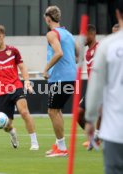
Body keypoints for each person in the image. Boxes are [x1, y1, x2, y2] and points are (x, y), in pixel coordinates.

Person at [0, 24, 39, 151]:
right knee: (6, 125)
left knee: (24, 112)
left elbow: (22, 67)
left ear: (3, 36)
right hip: (1, 91)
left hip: (15, 86)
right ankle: (13, 133)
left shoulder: (13, 51)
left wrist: (26, 82)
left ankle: (34, 142)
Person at [85, 1, 123, 173]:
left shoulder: (107, 45)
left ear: (117, 14)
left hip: (116, 130)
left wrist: (90, 120)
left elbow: (95, 87)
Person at [43, 6, 78, 157]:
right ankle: (59, 145)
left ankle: (62, 148)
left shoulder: (52, 34)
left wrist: (46, 69)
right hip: (71, 77)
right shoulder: (68, 34)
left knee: (52, 111)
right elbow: (77, 54)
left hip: (60, 78)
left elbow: (59, 53)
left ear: (48, 18)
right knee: (57, 110)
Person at [77, 24, 101, 150]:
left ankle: (97, 137)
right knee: (78, 113)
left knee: (103, 112)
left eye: (85, 36)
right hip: (92, 88)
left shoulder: (100, 48)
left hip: (103, 87)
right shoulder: (87, 53)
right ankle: (92, 137)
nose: (83, 39)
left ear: (91, 34)